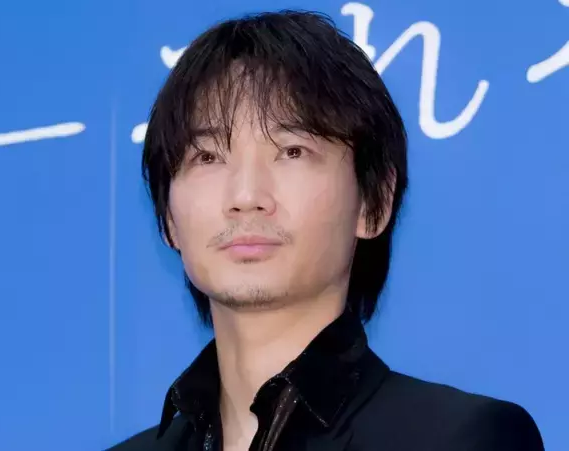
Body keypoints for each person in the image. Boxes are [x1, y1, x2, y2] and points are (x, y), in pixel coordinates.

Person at [108, 10, 544, 451]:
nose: (245, 195)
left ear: (373, 202)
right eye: (207, 156)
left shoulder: (462, 438)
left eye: (292, 151)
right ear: (168, 218)